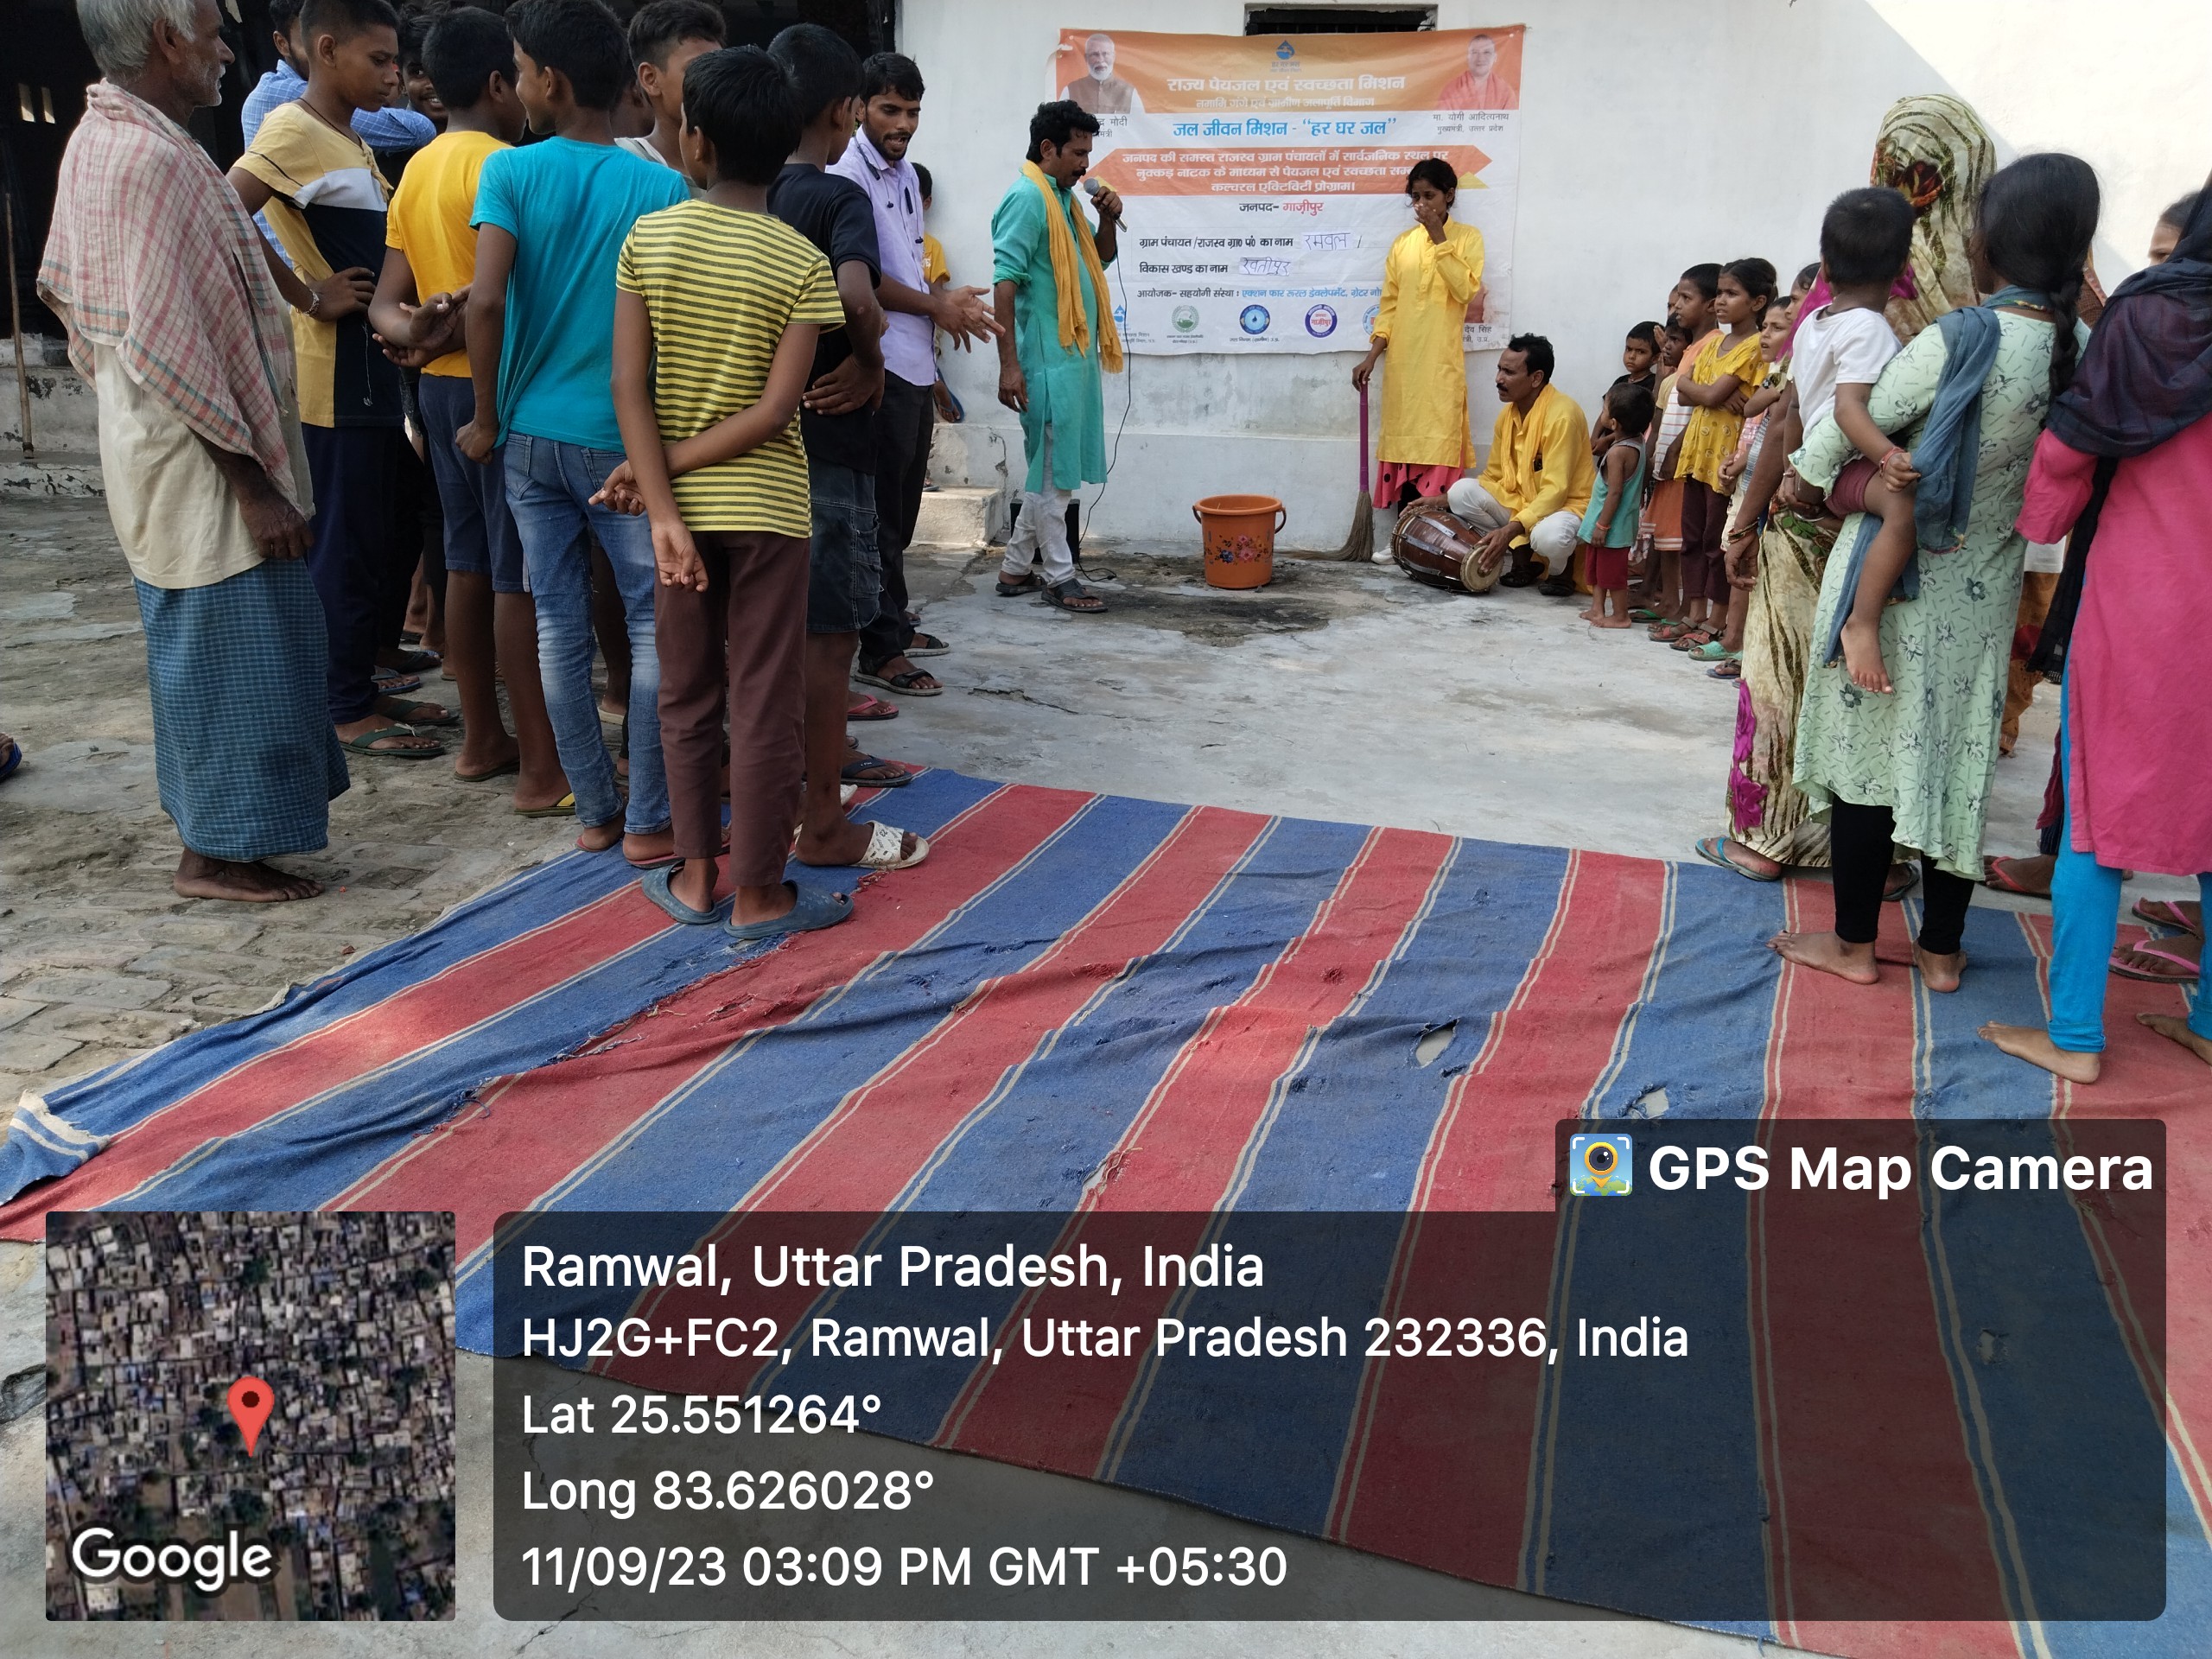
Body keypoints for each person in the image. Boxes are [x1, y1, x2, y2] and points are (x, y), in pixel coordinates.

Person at [607, 44, 919, 945]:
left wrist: (659, 492)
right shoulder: (800, 261)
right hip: (772, 513)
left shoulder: (650, 239)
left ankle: (695, 876)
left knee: (686, 694)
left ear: (694, 141)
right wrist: (669, 470)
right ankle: (759, 895)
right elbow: (778, 410)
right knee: (765, 699)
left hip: (680, 519)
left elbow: (628, 386)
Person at [41, 0, 347, 901]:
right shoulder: (143, 158)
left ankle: (220, 842)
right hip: (201, 461)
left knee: (218, 650)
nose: (224, 53)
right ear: (168, 39)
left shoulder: (110, 137)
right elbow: (165, 344)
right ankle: (214, 855)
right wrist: (254, 487)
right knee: (231, 656)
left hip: (163, 444)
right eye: (213, 35)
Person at [1774, 152, 2099, 994]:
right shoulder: (2081, 347)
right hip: (1985, 597)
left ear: (1993, 240)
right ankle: (1942, 952)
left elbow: (1853, 426)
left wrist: (1801, 484)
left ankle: (1854, 946)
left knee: (1865, 762)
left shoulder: (1960, 338)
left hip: (1894, 588)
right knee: (1957, 763)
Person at [1704, 99, 1996, 884]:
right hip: (1906, 536)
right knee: (1872, 693)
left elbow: (1793, 419)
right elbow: (1845, 413)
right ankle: (1878, 855)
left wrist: (1750, 519)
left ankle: (1765, 836)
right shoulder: (1974, 305)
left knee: (1782, 676)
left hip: (1815, 513)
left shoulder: (1821, 318)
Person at [1978, 181, 2212, 1081]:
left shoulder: (2150, 317)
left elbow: (2072, 444)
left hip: (2147, 601)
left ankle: (2074, 1036)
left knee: (2096, 813)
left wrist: (2037, 522)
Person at [463, 0, 690, 861]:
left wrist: (485, 417)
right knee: (650, 625)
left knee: (558, 624)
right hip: (624, 442)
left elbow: (487, 302)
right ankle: (649, 820)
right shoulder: (662, 187)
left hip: (528, 436)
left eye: (521, 72)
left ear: (550, 83)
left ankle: (596, 810)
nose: (517, 86)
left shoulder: (510, 173)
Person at [229, 0, 446, 760]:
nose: (394, 76)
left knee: (391, 526)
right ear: (325, 50)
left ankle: (364, 674)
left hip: (373, 367)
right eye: (379, 60)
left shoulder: (346, 135)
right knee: (348, 541)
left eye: (395, 61)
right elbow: (227, 211)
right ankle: (344, 707)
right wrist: (306, 294)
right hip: (333, 374)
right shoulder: (291, 127)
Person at [368, 4, 570, 812]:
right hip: (500, 390)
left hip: (437, 386)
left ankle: (482, 738)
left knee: (465, 559)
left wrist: (415, 334)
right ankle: (540, 767)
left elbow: (387, 302)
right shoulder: (507, 166)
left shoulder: (417, 169)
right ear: (498, 84)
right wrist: (454, 332)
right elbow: (513, 296)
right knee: (516, 574)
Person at [831, 51, 999, 700]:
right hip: (877, 364)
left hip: (912, 363)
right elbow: (863, 279)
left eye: (913, 111)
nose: (903, 123)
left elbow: (906, 265)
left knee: (899, 511)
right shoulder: (846, 176)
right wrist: (937, 306)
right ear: (857, 109)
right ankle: (879, 649)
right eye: (890, 109)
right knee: (877, 516)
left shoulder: (902, 175)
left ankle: (893, 624)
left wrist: (943, 311)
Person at [991, 99, 1122, 613]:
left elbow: (1100, 259)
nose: (1085, 165)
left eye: (1088, 154)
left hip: (1074, 361)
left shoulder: (1063, 200)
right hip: (1047, 364)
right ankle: (1061, 577)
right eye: (1077, 153)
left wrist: (1106, 218)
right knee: (1053, 477)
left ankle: (1014, 568)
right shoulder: (1028, 198)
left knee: (1048, 472)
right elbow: (1005, 283)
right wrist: (1009, 365)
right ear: (1048, 148)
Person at [1351, 159, 1484, 525]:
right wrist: (1372, 356)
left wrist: (1440, 238)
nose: (1422, 204)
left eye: (1430, 196)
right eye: (1416, 197)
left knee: (1438, 446)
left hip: (1440, 365)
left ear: (1449, 196)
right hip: (1403, 367)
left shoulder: (1468, 238)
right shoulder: (1403, 245)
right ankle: (1402, 539)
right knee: (1405, 448)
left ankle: (1431, 539)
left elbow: (1465, 290)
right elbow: (1390, 306)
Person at [1667, 257, 1773, 639]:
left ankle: (1718, 618)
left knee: (1716, 541)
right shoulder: (1713, 344)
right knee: (1692, 537)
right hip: (1698, 453)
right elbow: (1683, 391)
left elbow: (1705, 392)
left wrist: (1704, 391)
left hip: (1725, 457)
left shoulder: (1754, 347)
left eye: (1732, 294)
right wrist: (1707, 393)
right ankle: (1694, 611)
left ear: (1757, 302)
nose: (1721, 301)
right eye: (1720, 293)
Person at [1446, 334, 1594, 589]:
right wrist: (1442, 500)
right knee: (1460, 493)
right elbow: (1493, 478)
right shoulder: (1507, 416)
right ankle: (1523, 558)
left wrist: (1511, 530)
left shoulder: (1562, 416)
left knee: (1549, 537)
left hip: (1567, 507)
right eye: (1499, 369)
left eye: (1509, 372)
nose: (1498, 379)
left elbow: (1556, 491)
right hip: (1523, 502)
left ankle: (1560, 571)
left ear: (1536, 378)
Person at [240, 0, 435, 150]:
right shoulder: (282, 95)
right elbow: (419, 129)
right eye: (377, 60)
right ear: (282, 44)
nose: (327, 53)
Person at [1643, 267, 1719, 631]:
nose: (1676, 308)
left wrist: (1676, 447)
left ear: (1710, 305)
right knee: (1674, 536)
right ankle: (1676, 603)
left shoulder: (1712, 345)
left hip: (1690, 456)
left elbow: (1702, 404)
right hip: (1678, 454)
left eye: (1686, 299)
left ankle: (1690, 608)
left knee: (1687, 538)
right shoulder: (1692, 349)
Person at [1576, 380, 1652, 628]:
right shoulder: (1637, 441)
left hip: (1610, 526)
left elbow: (1615, 492)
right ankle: (1597, 608)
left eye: (1604, 409)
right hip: (1607, 524)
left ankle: (1620, 616)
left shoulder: (1619, 454)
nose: (1602, 412)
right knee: (1597, 569)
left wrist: (1602, 525)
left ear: (1614, 423)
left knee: (1612, 574)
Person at [617, 0, 722, 173]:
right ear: (650, 79)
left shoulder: (745, 168)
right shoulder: (625, 166)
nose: (715, 81)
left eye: (720, 69)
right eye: (698, 69)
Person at [1062, 32, 1141, 117]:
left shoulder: (1128, 91)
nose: (1100, 60)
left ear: (1113, 57)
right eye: (1094, 54)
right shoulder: (1071, 90)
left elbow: (1140, 122)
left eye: (1105, 54)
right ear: (1086, 58)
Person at [1438, 31, 1517, 111]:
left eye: (1486, 52)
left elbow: (1511, 119)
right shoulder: (1451, 89)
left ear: (1495, 57)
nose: (1480, 58)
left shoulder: (1506, 92)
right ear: (1468, 57)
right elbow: (1440, 118)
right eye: (1475, 52)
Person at [1615, 321, 1661, 394]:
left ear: (1655, 358)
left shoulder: (1654, 383)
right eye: (1629, 349)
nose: (1631, 356)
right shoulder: (1620, 381)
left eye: (1641, 352)